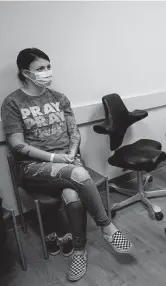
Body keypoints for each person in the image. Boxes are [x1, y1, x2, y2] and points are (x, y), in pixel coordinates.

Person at [1, 48, 133, 282]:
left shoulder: (59, 98)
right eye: (40, 69)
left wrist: (71, 154)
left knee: (73, 196)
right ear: (25, 73)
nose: (46, 72)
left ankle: (79, 252)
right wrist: (54, 158)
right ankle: (106, 227)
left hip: (67, 162)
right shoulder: (13, 102)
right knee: (80, 175)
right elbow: (16, 144)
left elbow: (73, 132)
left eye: (48, 67)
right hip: (34, 168)